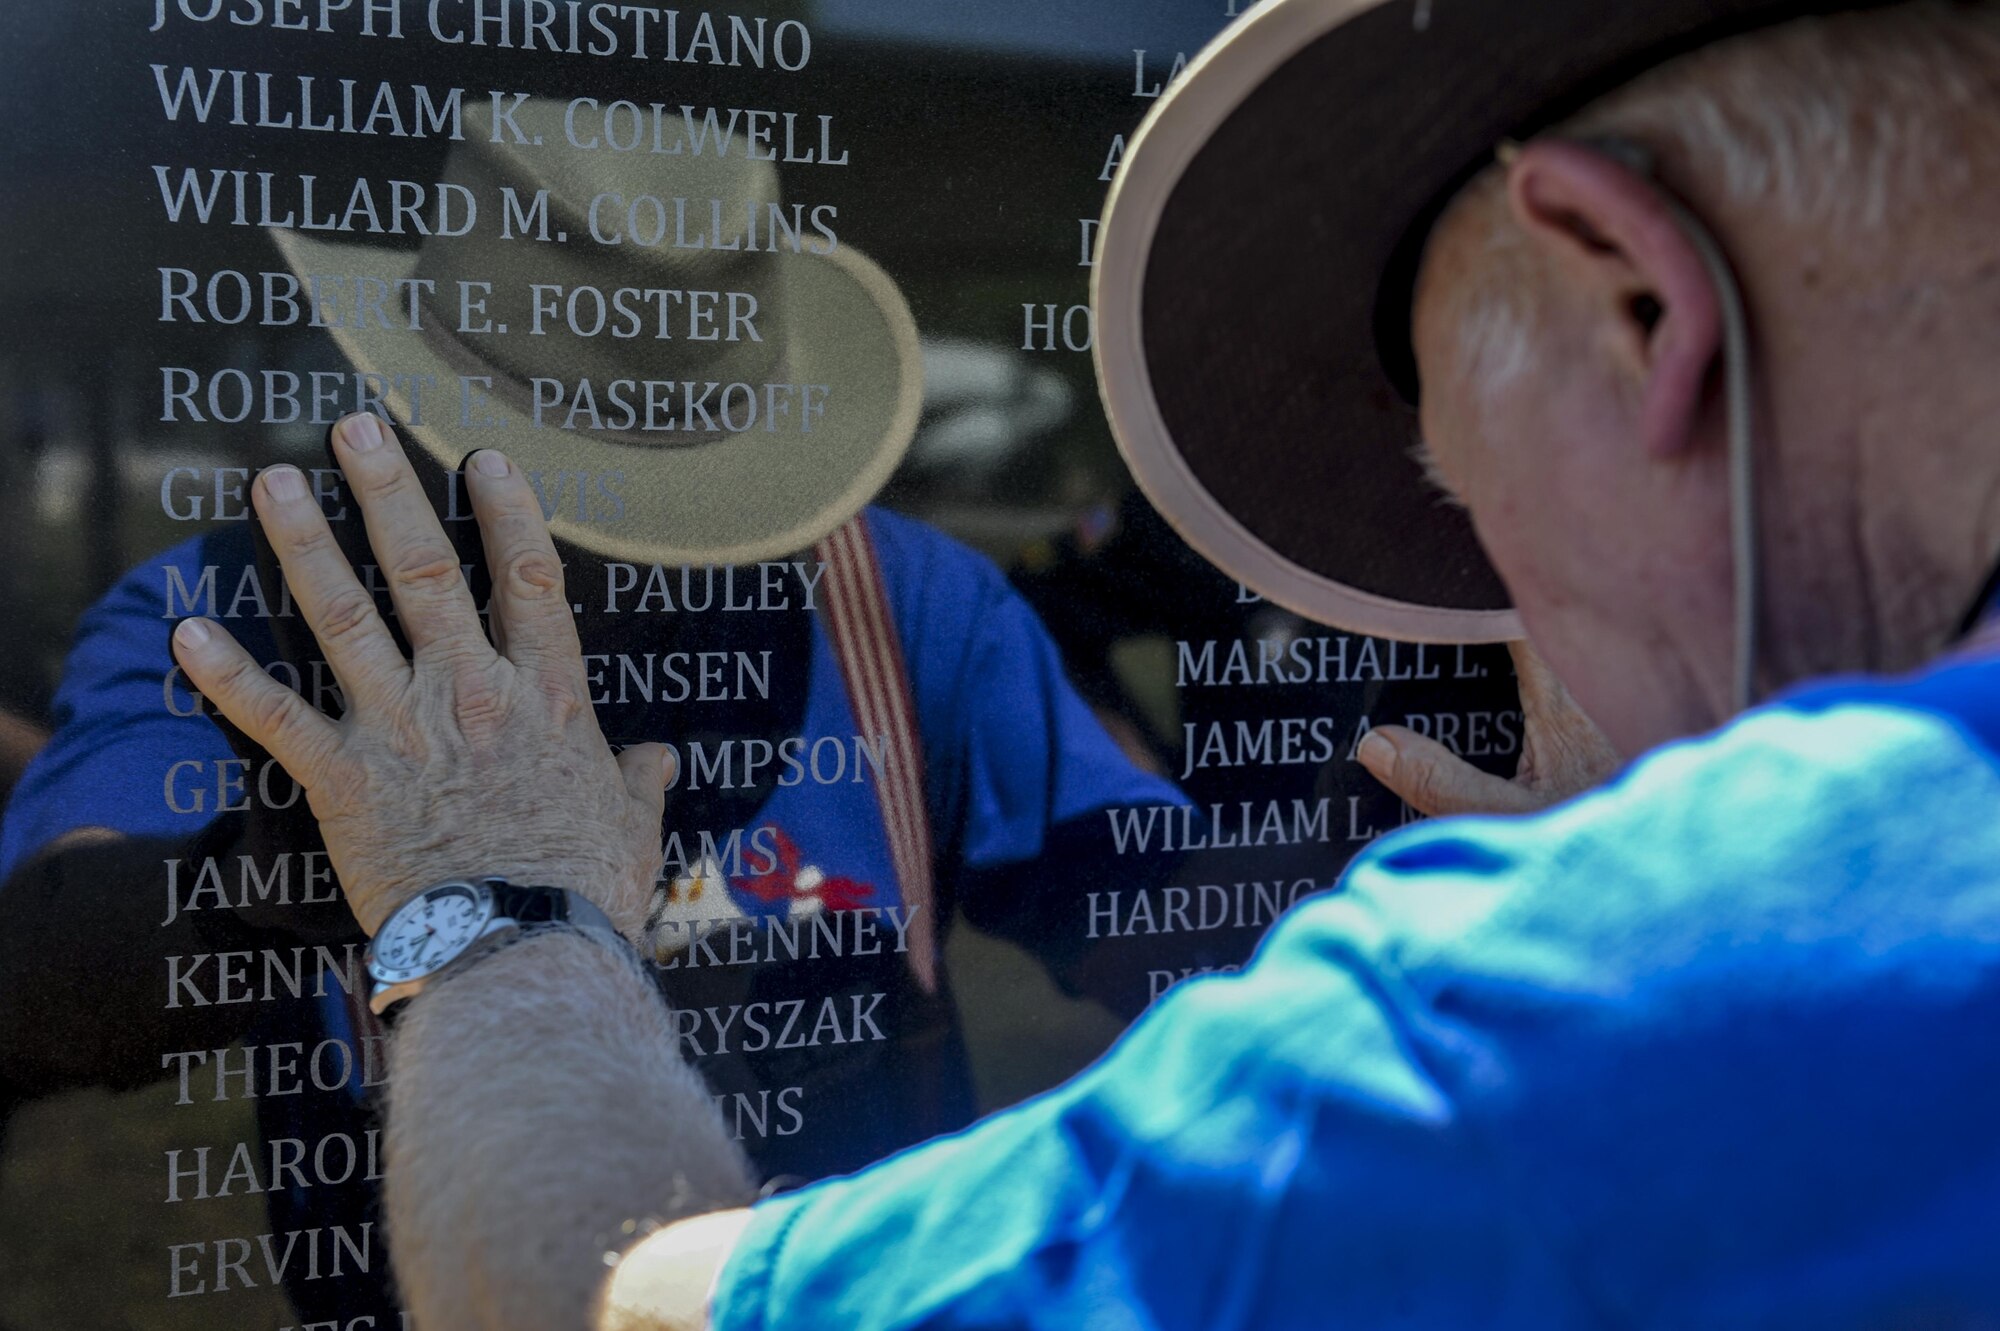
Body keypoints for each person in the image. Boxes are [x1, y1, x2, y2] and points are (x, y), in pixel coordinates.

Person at [167, 0, 2000, 1327]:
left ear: (1639, 302)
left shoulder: (1585, 1022)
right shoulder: (214, 601)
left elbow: (612, 1309)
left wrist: (476, 909)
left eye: (1438, 469)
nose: (1478, 574)